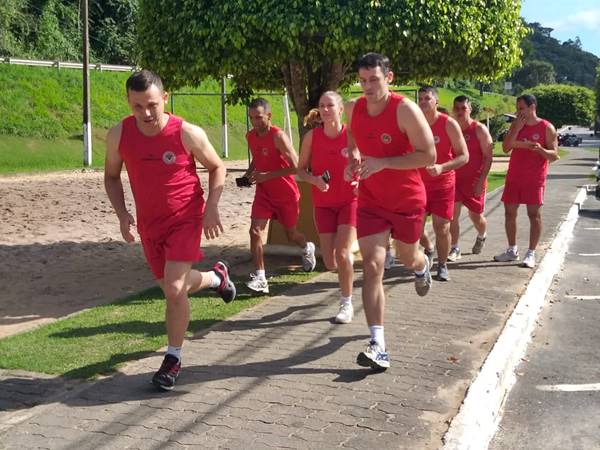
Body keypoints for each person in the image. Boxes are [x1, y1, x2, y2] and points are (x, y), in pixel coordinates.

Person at [104, 70, 236, 391]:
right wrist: (122, 214)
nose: (146, 113)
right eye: (137, 106)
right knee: (172, 287)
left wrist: (211, 207)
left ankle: (173, 358)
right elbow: (111, 176)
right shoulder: (119, 134)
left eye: (152, 104)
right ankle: (216, 278)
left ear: (165, 98)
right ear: (128, 103)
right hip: (149, 224)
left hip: (185, 218)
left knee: (175, 289)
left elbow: (217, 167)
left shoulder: (187, 133)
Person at [344, 53, 436, 370]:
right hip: (370, 200)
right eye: (363, 80)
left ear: (389, 77)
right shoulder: (353, 108)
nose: (368, 86)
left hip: (407, 200)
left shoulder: (404, 110)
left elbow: (428, 155)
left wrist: (384, 162)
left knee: (408, 258)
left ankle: (423, 265)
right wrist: (353, 160)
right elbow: (353, 137)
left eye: (374, 79)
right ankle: (378, 344)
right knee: (372, 266)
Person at [244, 98, 316, 294]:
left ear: (269, 116)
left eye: (259, 117)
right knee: (255, 231)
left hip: (286, 194)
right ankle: (260, 277)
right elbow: (257, 157)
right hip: (264, 193)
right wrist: (249, 173)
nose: (255, 122)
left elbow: (297, 167)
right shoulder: (250, 136)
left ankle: (306, 247)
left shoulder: (278, 136)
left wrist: (268, 175)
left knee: (291, 235)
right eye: (251, 118)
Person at [297, 91, 357, 324]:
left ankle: (346, 303)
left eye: (330, 105)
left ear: (340, 110)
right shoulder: (312, 137)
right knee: (331, 262)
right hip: (323, 204)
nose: (325, 110)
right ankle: (341, 262)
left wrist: (358, 177)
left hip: (349, 200)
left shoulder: (352, 134)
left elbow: (366, 161)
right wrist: (314, 180)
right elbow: (300, 171)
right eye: (322, 106)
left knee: (342, 254)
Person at [494, 94, 558, 268]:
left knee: (533, 215)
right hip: (514, 176)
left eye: (521, 108)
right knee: (509, 213)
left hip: (534, 178)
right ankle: (512, 250)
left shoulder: (546, 127)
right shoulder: (516, 125)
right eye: (517, 109)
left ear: (532, 107)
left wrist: (540, 150)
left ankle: (531, 253)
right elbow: (506, 148)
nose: (519, 112)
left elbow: (554, 155)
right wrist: (516, 128)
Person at [417, 87, 469, 281]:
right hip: (419, 185)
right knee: (415, 228)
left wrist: (442, 167)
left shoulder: (448, 124)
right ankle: (429, 248)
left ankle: (442, 265)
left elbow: (464, 156)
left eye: (427, 98)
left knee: (442, 227)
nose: (423, 102)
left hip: (443, 184)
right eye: (420, 99)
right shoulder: (414, 123)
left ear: (436, 102)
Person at [448, 95, 493, 261]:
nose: (460, 112)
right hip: (455, 181)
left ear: (470, 109)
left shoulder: (479, 129)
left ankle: (482, 234)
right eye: (457, 108)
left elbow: (488, 156)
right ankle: (455, 248)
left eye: (463, 108)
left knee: (476, 217)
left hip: (474, 181)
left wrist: (481, 180)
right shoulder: (451, 128)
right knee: (452, 216)